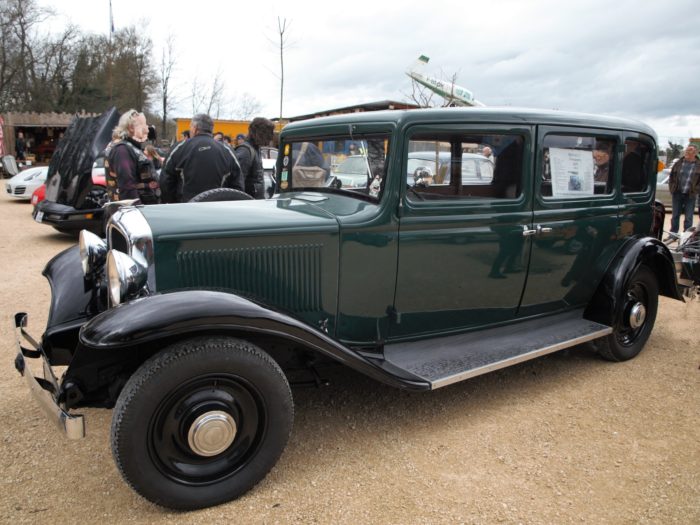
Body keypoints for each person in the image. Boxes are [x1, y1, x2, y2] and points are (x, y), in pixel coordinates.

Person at [160, 113, 243, 203]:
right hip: (218, 209)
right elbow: (238, 185)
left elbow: (165, 181)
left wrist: (173, 204)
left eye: (190, 127)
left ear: (195, 128)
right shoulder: (227, 150)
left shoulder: (179, 148)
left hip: (186, 209)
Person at [104, 110, 159, 204]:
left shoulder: (129, 147)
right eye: (143, 125)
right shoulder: (122, 150)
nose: (147, 129)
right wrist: (137, 211)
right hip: (134, 211)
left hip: (144, 207)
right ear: (131, 128)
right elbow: (127, 187)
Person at [235, 117, 274, 199]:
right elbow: (237, 184)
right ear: (259, 133)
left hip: (253, 202)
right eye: (268, 134)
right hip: (247, 205)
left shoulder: (255, 149)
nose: (271, 137)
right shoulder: (245, 151)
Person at [666, 144, 700, 237]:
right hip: (677, 193)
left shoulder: (698, 165)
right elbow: (672, 176)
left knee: (688, 217)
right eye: (687, 150)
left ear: (695, 153)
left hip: (690, 195)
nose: (687, 152)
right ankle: (673, 234)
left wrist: (696, 190)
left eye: (690, 150)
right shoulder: (678, 163)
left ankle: (686, 236)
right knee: (675, 215)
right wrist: (672, 188)